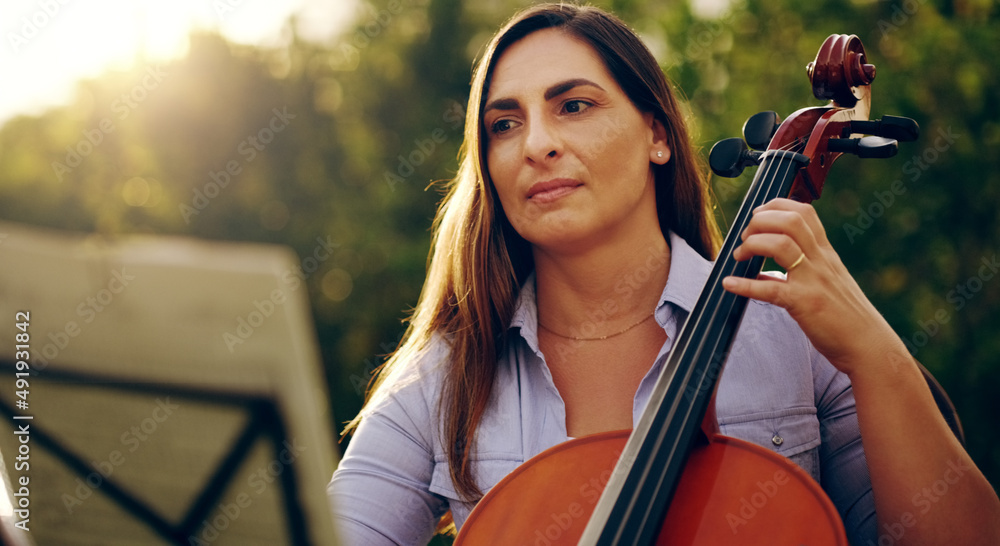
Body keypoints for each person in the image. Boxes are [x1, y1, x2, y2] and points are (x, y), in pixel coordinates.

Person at [328, 3, 1000, 544]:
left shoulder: (795, 338)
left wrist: (873, 353)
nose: (536, 144)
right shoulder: (443, 380)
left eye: (574, 105)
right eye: (504, 124)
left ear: (657, 134)